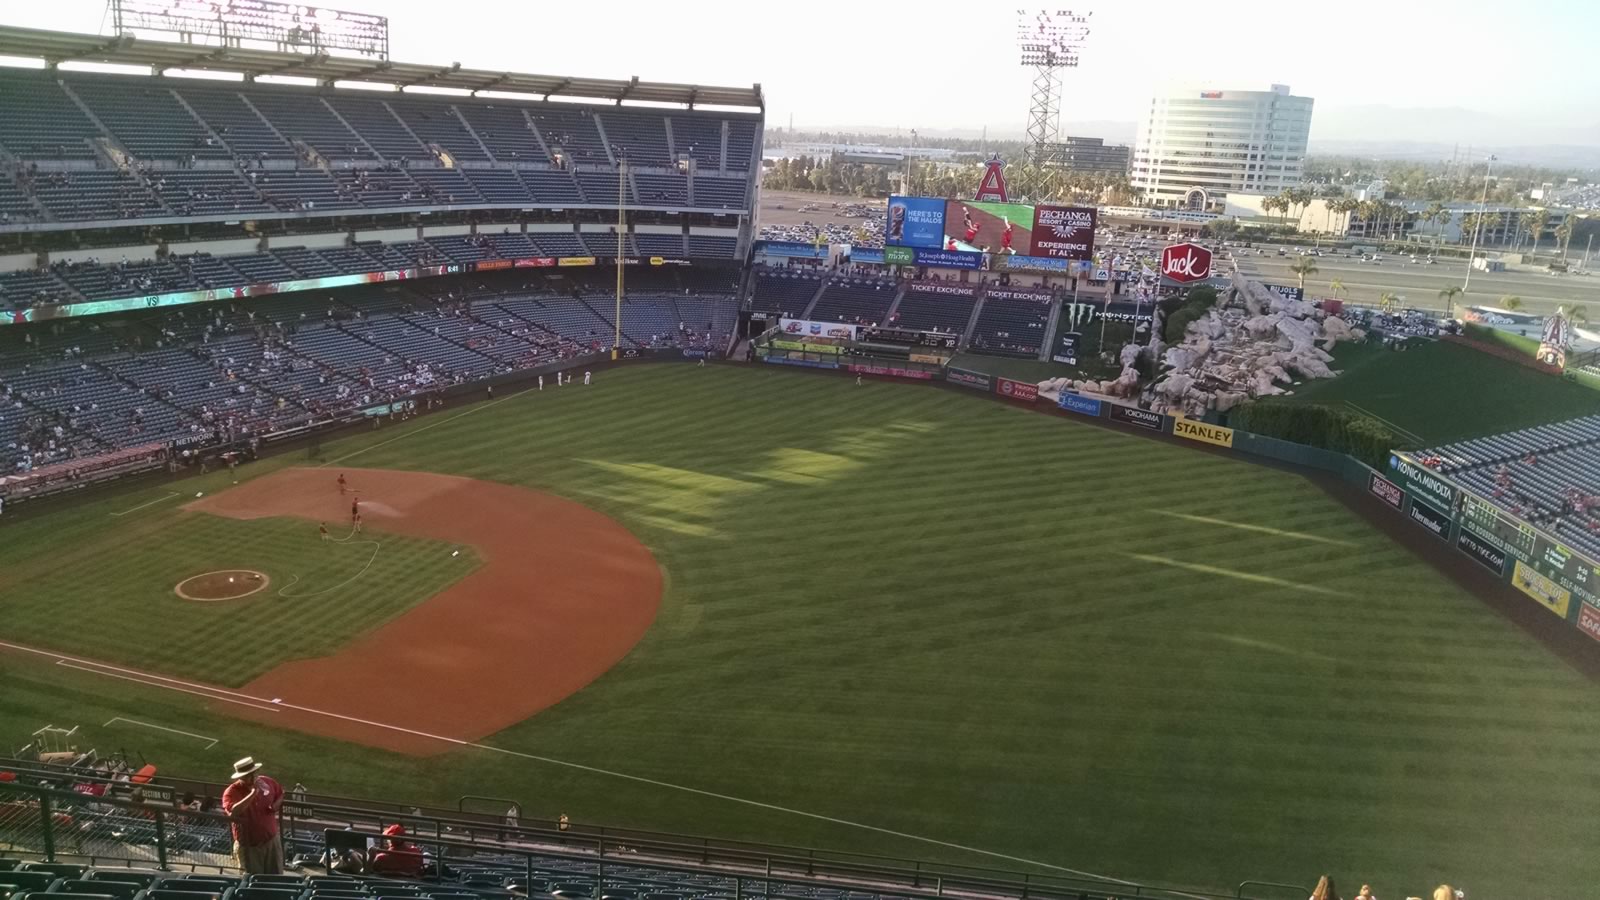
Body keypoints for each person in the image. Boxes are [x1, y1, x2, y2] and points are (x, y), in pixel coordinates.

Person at [221, 757, 284, 874]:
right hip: (249, 848)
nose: (252, 777)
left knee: (277, 880)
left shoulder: (267, 782)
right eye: (247, 775)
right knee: (253, 883)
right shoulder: (231, 792)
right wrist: (253, 794)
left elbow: (280, 793)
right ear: (240, 777)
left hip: (272, 842)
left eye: (253, 773)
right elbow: (234, 812)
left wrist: (275, 806)